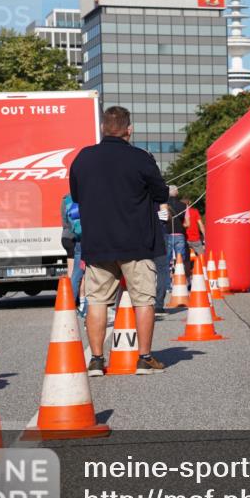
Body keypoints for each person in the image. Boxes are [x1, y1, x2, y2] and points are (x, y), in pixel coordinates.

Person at [70, 106, 168, 374]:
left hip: (98, 243)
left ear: (103, 127)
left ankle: (97, 360)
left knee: (97, 300)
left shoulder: (83, 158)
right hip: (136, 243)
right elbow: (160, 194)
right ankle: (144, 357)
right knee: (144, 300)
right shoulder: (141, 158)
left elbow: (76, 196)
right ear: (129, 129)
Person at [60, 192, 86, 316]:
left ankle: (69, 303)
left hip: (68, 237)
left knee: (75, 273)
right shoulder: (84, 195)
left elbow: (65, 221)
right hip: (81, 238)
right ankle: (81, 304)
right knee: (82, 273)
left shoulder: (66, 200)